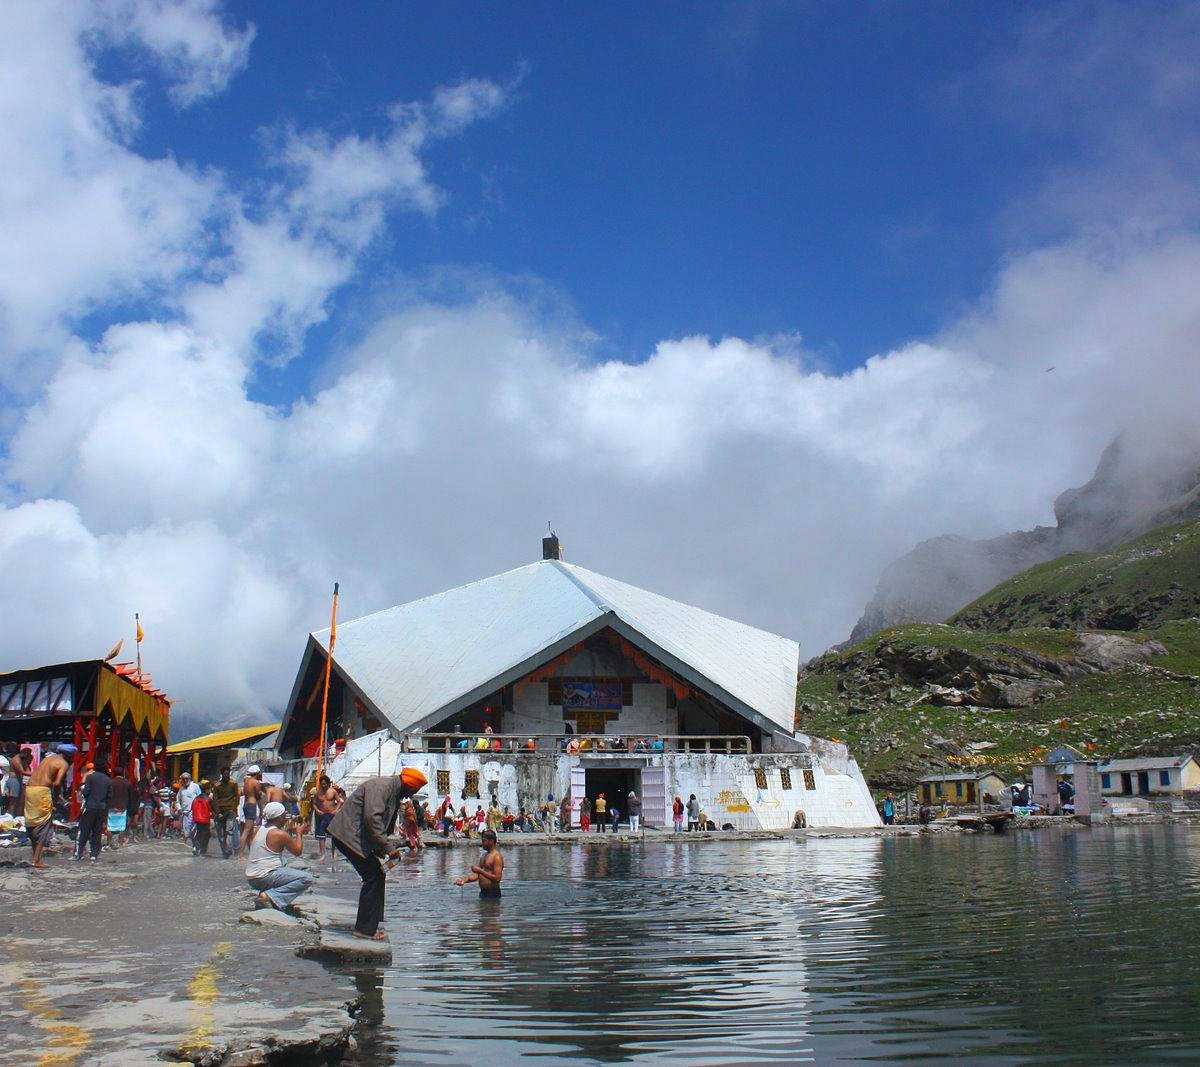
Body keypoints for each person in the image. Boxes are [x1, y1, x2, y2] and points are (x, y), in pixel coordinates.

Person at [327, 767, 428, 941]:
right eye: (413, 791)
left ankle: (371, 925)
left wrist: (382, 848)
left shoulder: (392, 790)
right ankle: (364, 929)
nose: (410, 796)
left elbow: (379, 824)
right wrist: (388, 848)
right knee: (373, 876)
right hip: (348, 835)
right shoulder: (382, 787)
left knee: (376, 874)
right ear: (409, 785)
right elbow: (372, 820)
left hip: (354, 837)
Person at [245, 801, 311, 911]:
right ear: (280, 817)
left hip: (252, 877)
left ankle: (265, 894)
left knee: (283, 861)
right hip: (263, 877)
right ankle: (270, 896)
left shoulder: (259, 829)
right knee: (306, 878)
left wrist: (288, 829)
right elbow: (298, 851)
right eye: (285, 815)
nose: (286, 818)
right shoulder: (279, 834)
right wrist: (299, 833)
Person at [26, 744, 72, 868]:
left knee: (31, 822)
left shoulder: (47, 759)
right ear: (70, 756)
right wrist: (56, 799)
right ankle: (36, 860)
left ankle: (35, 857)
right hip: (42, 791)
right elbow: (57, 783)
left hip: (30, 789)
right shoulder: (63, 763)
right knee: (44, 825)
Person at [75, 759, 111, 862]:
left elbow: (86, 792)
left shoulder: (90, 777)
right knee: (97, 831)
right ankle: (94, 854)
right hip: (101, 808)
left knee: (85, 830)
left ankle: (80, 853)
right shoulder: (107, 780)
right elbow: (109, 795)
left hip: (90, 806)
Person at [455, 828, 504, 899]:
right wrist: (464, 880)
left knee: (491, 910)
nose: (482, 843)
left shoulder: (497, 857)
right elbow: (477, 875)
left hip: (493, 892)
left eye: (484, 841)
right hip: (483, 892)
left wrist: (480, 871)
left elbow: (497, 878)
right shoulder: (484, 856)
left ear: (491, 841)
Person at [311, 774, 342, 862]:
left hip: (331, 815)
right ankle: (323, 854)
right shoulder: (318, 793)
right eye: (322, 783)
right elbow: (314, 803)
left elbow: (339, 801)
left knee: (333, 835)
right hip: (322, 815)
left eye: (325, 783)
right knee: (321, 836)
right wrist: (317, 810)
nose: (323, 785)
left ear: (328, 783)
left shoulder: (333, 792)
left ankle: (333, 852)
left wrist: (336, 810)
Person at [211, 767, 240, 858]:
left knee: (229, 831)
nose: (226, 775)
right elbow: (214, 800)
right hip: (220, 812)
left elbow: (237, 797)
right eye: (225, 774)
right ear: (222, 774)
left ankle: (228, 849)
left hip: (230, 811)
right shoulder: (217, 786)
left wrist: (234, 809)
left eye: (228, 773)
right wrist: (218, 812)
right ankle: (224, 851)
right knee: (221, 833)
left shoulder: (233, 784)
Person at [237, 765, 265, 859]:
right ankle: (240, 854)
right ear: (257, 773)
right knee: (247, 830)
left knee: (249, 831)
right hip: (251, 805)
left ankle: (251, 852)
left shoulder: (246, 782)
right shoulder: (255, 782)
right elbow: (258, 796)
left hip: (246, 805)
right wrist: (261, 810)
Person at [105, 769, 132, 849]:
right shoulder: (127, 783)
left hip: (111, 807)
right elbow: (130, 796)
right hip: (122, 807)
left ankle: (109, 843)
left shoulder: (110, 782)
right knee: (121, 826)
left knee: (110, 826)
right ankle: (120, 844)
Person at [176, 772, 201, 843]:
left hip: (195, 812)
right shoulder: (181, 789)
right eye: (183, 779)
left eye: (186, 779)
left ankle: (196, 844)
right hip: (185, 813)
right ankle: (188, 845)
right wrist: (179, 809)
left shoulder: (195, 786)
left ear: (190, 779)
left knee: (194, 829)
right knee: (186, 831)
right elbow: (178, 800)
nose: (185, 780)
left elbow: (200, 797)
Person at [190, 781, 213, 855]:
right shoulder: (208, 799)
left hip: (197, 819)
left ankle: (196, 847)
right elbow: (212, 809)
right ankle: (202, 849)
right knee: (206, 834)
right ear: (207, 790)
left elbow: (192, 807)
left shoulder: (196, 798)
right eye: (210, 789)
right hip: (205, 819)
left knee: (198, 833)